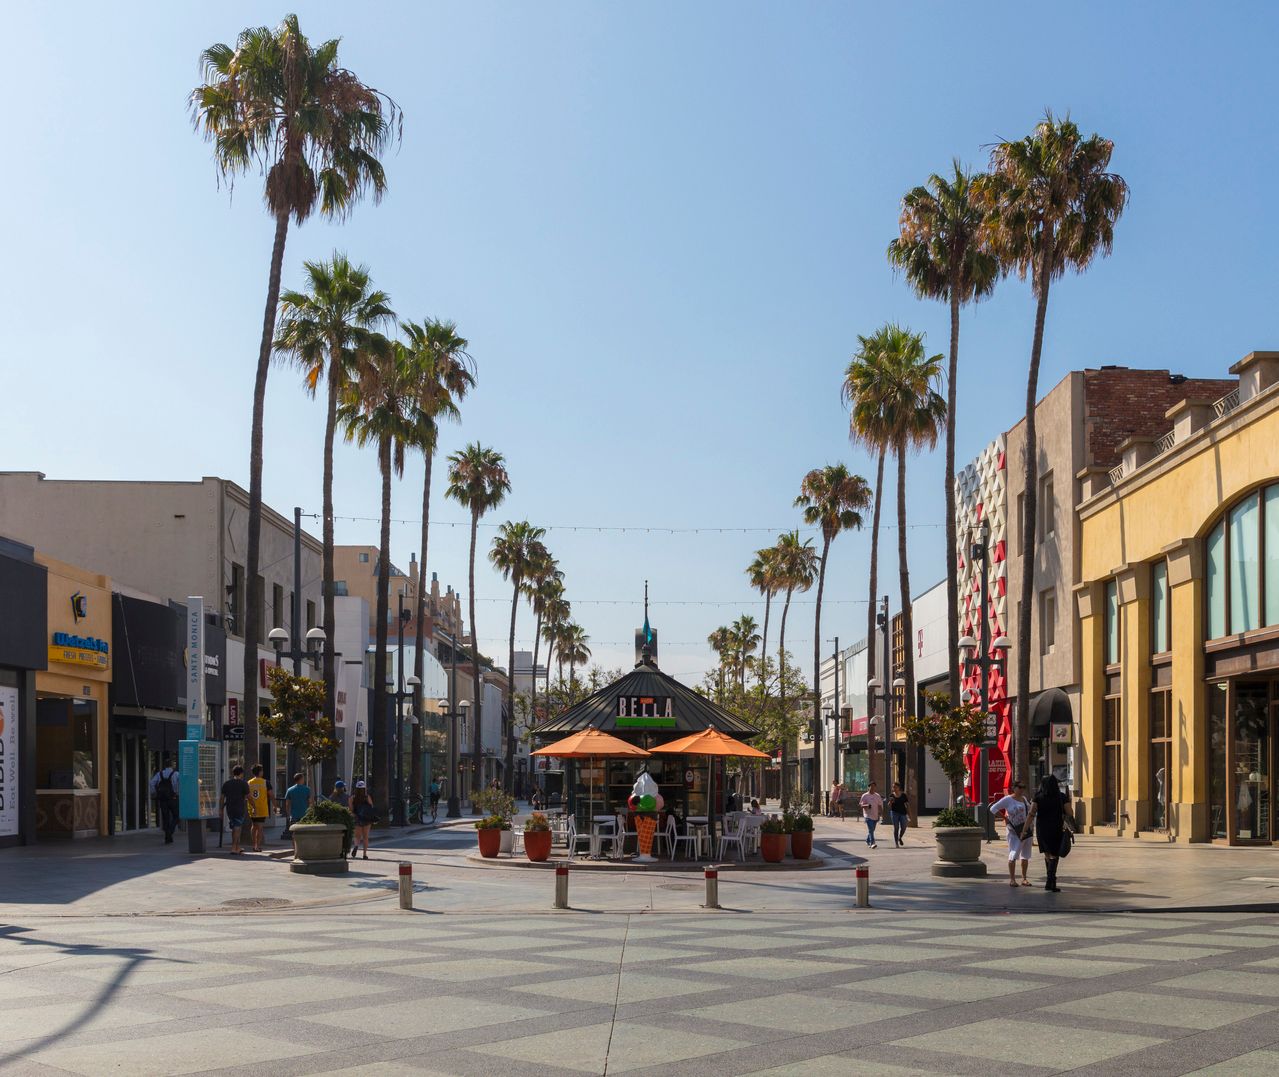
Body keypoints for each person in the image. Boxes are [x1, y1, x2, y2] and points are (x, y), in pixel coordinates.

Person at [1023, 773, 1072, 892]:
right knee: (1054, 854)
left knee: (1047, 853)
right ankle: (1051, 881)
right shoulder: (1061, 797)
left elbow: (1031, 814)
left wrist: (1024, 830)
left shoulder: (1038, 797)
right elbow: (1070, 813)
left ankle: (1050, 881)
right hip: (1056, 828)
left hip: (1042, 828)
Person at [991, 780, 1033, 886]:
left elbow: (1029, 810)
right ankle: (1012, 879)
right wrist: (1004, 817)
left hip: (1026, 829)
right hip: (1014, 831)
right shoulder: (1007, 799)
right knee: (1013, 853)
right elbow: (993, 808)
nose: (1022, 789)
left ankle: (1024, 878)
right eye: (1020, 787)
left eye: (1023, 787)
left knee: (1025, 855)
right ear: (1014, 788)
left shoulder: (1023, 799)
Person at [220, 765, 250, 855]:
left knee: (235, 827)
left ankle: (237, 847)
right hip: (239, 808)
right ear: (241, 774)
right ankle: (234, 848)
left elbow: (222, 798)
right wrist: (254, 806)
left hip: (229, 809)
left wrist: (220, 809)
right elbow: (249, 797)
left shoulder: (226, 783)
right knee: (237, 827)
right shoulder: (243, 784)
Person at [150, 757, 180, 844]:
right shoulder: (176, 774)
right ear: (172, 765)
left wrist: (154, 792)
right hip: (173, 798)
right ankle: (170, 831)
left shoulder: (159, 774)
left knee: (165, 817)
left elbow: (151, 783)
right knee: (176, 816)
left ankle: (167, 837)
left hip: (162, 799)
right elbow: (182, 782)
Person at [246, 764, 273, 853]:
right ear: (260, 772)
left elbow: (246, 795)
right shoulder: (265, 782)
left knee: (254, 826)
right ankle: (258, 846)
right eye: (262, 771)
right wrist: (275, 805)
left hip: (252, 807)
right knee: (260, 827)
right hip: (262, 808)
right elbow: (271, 794)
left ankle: (254, 845)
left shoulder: (249, 782)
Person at [350, 780, 377, 859]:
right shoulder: (367, 797)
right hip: (366, 819)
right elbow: (371, 806)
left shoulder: (352, 798)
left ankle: (356, 845)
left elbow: (351, 810)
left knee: (357, 836)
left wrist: (354, 815)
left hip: (357, 818)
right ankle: (364, 854)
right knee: (365, 836)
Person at [283, 772, 312, 837]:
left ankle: (294, 846)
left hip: (294, 815)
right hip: (304, 815)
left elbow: (287, 804)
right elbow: (310, 802)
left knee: (294, 833)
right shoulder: (307, 789)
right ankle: (302, 846)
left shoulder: (289, 790)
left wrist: (288, 815)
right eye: (303, 778)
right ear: (301, 779)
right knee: (304, 833)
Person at [859, 781, 883, 849]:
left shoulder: (877, 796)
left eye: (874, 786)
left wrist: (881, 814)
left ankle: (867, 840)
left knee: (872, 830)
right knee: (871, 829)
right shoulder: (865, 795)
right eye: (871, 786)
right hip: (867, 815)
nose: (872, 788)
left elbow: (880, 805)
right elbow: (860, 804)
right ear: (868, 787)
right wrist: (866, 805)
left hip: (875, 815)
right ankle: (872, 843)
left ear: (875, 787)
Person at [887, 782, 909, 847]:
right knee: (896, 828)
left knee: (904, 827)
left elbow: (907, 804)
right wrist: (890, 802)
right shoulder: (891, 795)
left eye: (895, 787)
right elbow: (889, 805)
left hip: (903, 813)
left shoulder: (903, 795)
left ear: (899, 787)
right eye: (893, 787)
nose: (894, 788)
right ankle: (896, 843)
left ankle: (900, 837)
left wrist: (909, 814)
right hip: (894, 813)